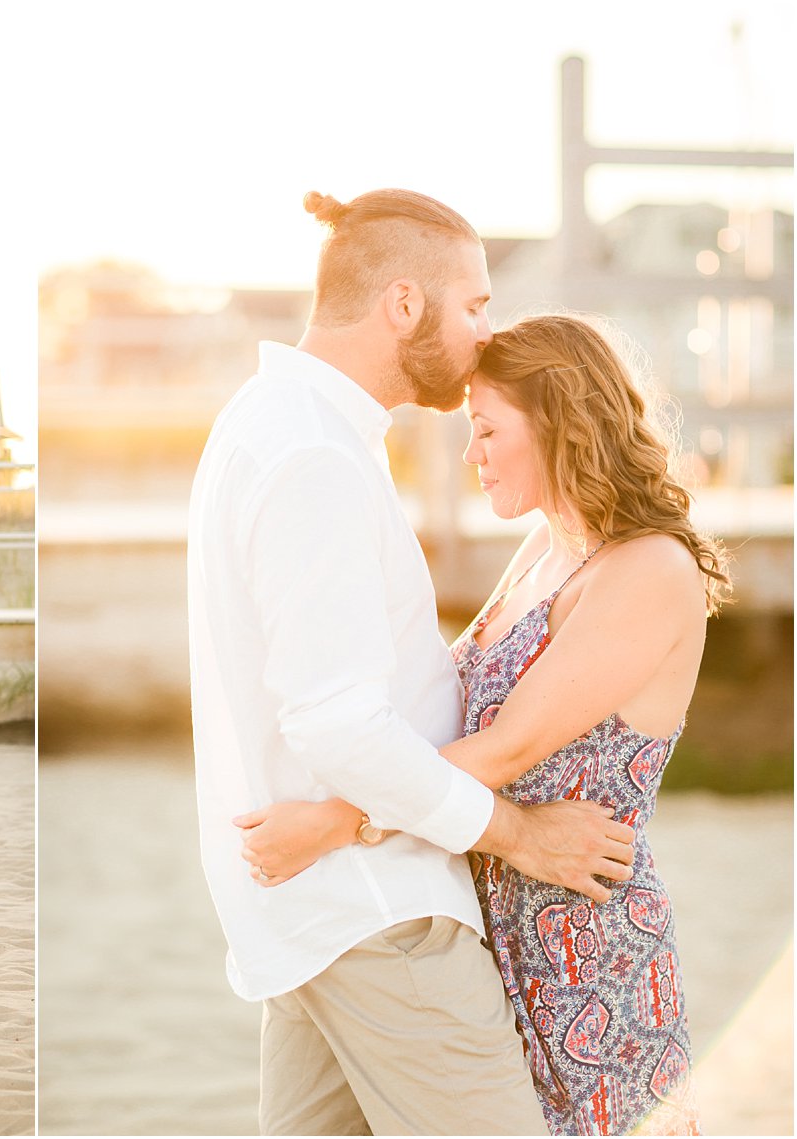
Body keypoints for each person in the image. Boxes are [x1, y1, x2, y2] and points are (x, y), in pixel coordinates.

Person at [188, 188, 639, 1135]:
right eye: (473, 305)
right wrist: (519, 834)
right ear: (403, 305)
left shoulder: (271, 423)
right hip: (380, 920)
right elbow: (339, 724)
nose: (485, 331)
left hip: (318, 921)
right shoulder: (313, 455)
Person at [240, 313, 727, 1135]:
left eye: (487, 427)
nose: (472, 453)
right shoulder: (545, 548)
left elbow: (508, 746)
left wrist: (329, 825)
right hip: (490, 924)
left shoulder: (650, 569)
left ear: (561, 423)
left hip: (585, 953)